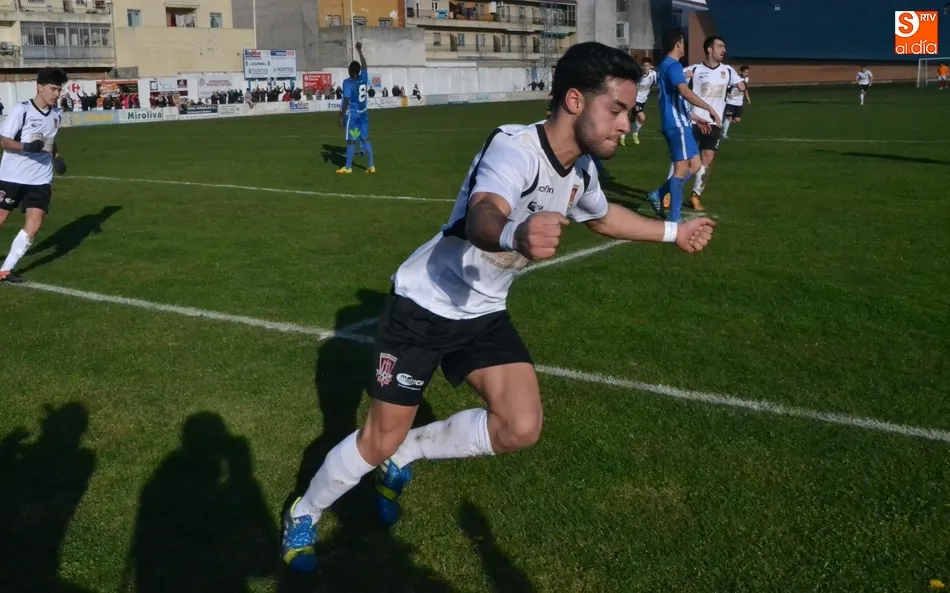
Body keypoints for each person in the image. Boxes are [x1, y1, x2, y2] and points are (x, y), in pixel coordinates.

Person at [280, 40, 717, 573]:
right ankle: (304, 511)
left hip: (483, 313)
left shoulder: (579, 172)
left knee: (520, 425)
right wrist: (515, 232)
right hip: (423, 307)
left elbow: (604, 219)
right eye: (617, 110)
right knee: (377, 437)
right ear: (575, 101)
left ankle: (408, 454)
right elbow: (484, 214)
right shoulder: (515, 148)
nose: (626, 124)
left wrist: (675, 232)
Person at [0, 67, 68, 284]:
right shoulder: (22, 110)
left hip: (40, 178)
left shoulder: (57, 114)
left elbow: (50, 140)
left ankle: (5, 270)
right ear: (39, 87)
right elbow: (4, 140)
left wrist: (57, 157)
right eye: (53, 89)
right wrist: (27, 147)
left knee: (35, 223)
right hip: (13, 176)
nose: (57, 94)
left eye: (59, 89)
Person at [646, 29, 720, 223]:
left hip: (682, 122)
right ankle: (675, 219)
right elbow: (684, 92)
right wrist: (709, 108)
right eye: (683, 42)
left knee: (695, 165)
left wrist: (696, 118)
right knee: (681, 169)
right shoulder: (673, 66)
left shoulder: (666, 66)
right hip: (676, 125)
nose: (684, 45)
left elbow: (676, 101)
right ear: (678, 44)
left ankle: (659, 194)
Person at [679, 36, 745, 211]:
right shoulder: (693, 69)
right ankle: (670, 191)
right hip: (692, 121)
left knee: (707, 159)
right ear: (709, 49)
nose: (724, 50)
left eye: (725, 46)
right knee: (683, 162)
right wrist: (684, 77)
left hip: (714, 123)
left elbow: (741, 85)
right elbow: (676, 89)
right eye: (720, 46)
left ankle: (695, 195)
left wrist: (737, 87)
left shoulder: (728, 71)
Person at [337, 41, 375, 175]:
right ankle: (371, 165)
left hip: (354, 116)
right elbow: (364, 65)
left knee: (351, 140)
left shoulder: (348, 82)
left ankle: (348, 167)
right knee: (364, 139)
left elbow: (346, 100)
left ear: (351, 71)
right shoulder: (363, 78)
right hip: (364, 114)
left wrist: (341, 117)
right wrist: (359, 51)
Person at [620, 56, 657, 146]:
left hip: (643, 101)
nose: (645, 68)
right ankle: (634, 134)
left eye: (647, 66)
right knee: (642, 117)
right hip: (634, 99)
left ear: (651, 66)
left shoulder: (653, 75)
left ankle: (623, 136)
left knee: (632, 119)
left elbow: (659, 83)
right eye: (644, 65)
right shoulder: (637, 75)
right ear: (641, 66)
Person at [722, 65, 750, 139]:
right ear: (741, 72)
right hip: (730, 101)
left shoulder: (746, 79)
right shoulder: (734, 79)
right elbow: (725, 88)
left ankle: (723, 119)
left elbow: (745, 88)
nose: (746, 74)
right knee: (729, 118)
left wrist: (747, 97)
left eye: (747, 72)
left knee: (737, 120)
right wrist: (728, 94)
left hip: (739, 102)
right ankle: (723, 134)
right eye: (745, 72)